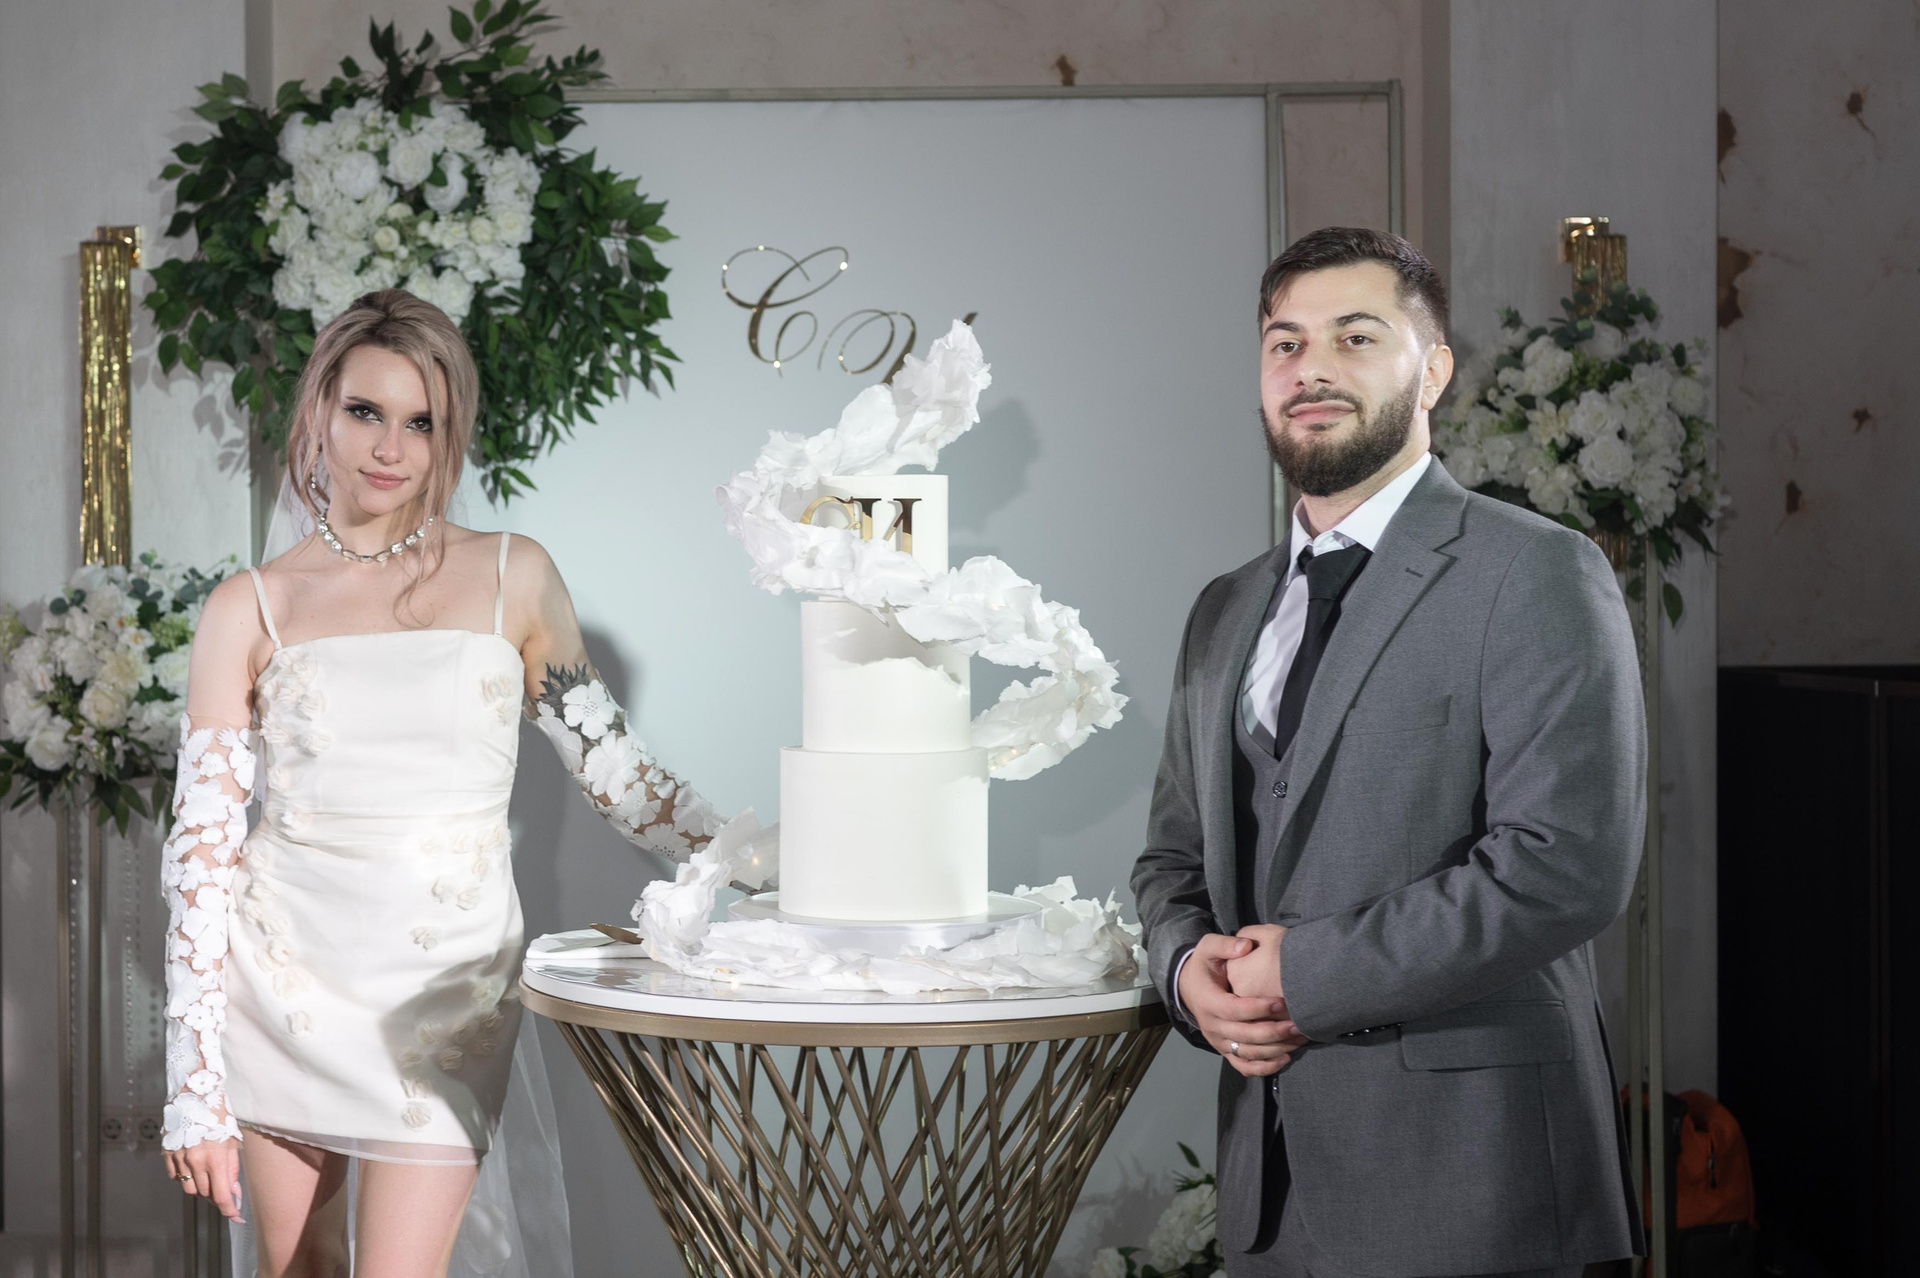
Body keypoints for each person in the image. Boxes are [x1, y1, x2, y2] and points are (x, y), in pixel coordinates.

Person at [159, 289, 743, 1276]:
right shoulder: (247, 608)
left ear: (449, 434)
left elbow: (621, 779)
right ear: (319, 410)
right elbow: (200, 857)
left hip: (446, 987)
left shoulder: (514, 574)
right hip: (280, 973)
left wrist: (763, 856)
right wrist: (192, 1085)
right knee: (295, 1272)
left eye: (421, 422)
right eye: (365, 412)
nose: (391, 448)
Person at [1131, 227, 1645, 1277]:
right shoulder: (1224, 608)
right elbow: (1172, 859)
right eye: (1285, 343)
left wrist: (1302, 972)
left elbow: (1565, 868)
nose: (1310, 368)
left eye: (1356, 337)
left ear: (1434, 371)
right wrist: (1189, 972)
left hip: (1475, 1184)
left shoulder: (1536, 572)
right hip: (1271, 1194)